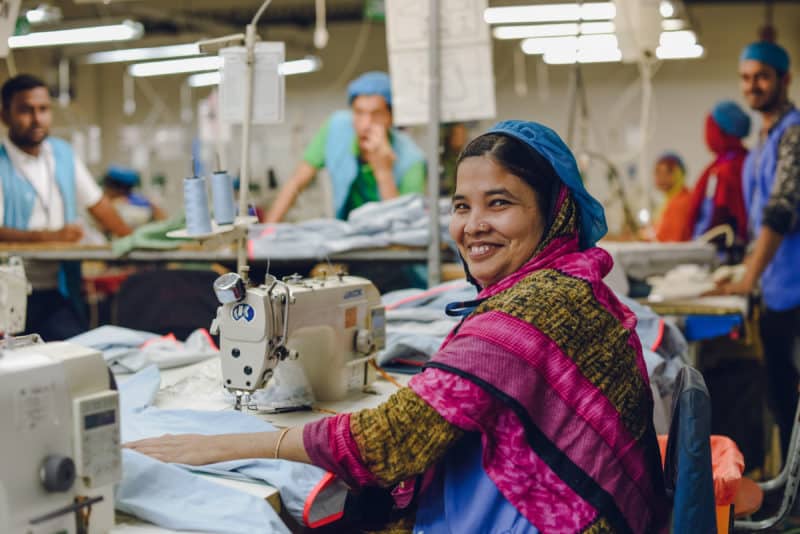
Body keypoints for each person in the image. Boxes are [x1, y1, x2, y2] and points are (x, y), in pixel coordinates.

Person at [126, 121, 668, 533]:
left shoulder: (528, 312)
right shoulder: (572, 285)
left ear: (554, 212)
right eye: (462, 206)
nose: (473, 226)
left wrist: (219, 446)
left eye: (499, 204)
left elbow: (389, 441)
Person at [0, 74, 131, 340]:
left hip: (58, 288)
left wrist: (135, 241)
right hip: (8, 293)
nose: (37, 119)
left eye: (43, 109)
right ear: (4, 115)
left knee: (76, 350)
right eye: (26, 110)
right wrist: (52, 237)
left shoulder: (62, 154)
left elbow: (99, 205)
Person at [717, 41, 800, 457]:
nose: (752, 85)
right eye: (746, 78)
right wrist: (747, 272)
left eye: (762, 77)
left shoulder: (794, 135)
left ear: (785, 79)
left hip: (795, 292)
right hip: (776, 289)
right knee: (781, 400)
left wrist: (747, 279)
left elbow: (780, 212)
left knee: (793, 406)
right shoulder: (765, 138)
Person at [265, 71, 425, 222]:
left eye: (376, 114)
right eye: (359, 112)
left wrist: (384, 173)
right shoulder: (336, 128)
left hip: (387, 238)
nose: (365, 124)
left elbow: (403, 228)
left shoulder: (412, 161)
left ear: (391, 117)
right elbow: (296, 182)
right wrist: (265, 232)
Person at [687, 101, 750, 245]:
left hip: (722, 248)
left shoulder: (728, 170)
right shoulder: (725, 165)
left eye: (710, 128)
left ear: (720, 132)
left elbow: (719, 217)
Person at [102, 164, 166, 229]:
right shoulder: (144, 202)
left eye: (107, 186)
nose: (105, 190)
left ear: (118, 189)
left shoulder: (119, 206)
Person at [651, 152, 692, 242]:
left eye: (667, 173)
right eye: (657, 172)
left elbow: (671, 241)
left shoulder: (681, 202)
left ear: (678, 174)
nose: (661, 178)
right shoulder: (667, 201)